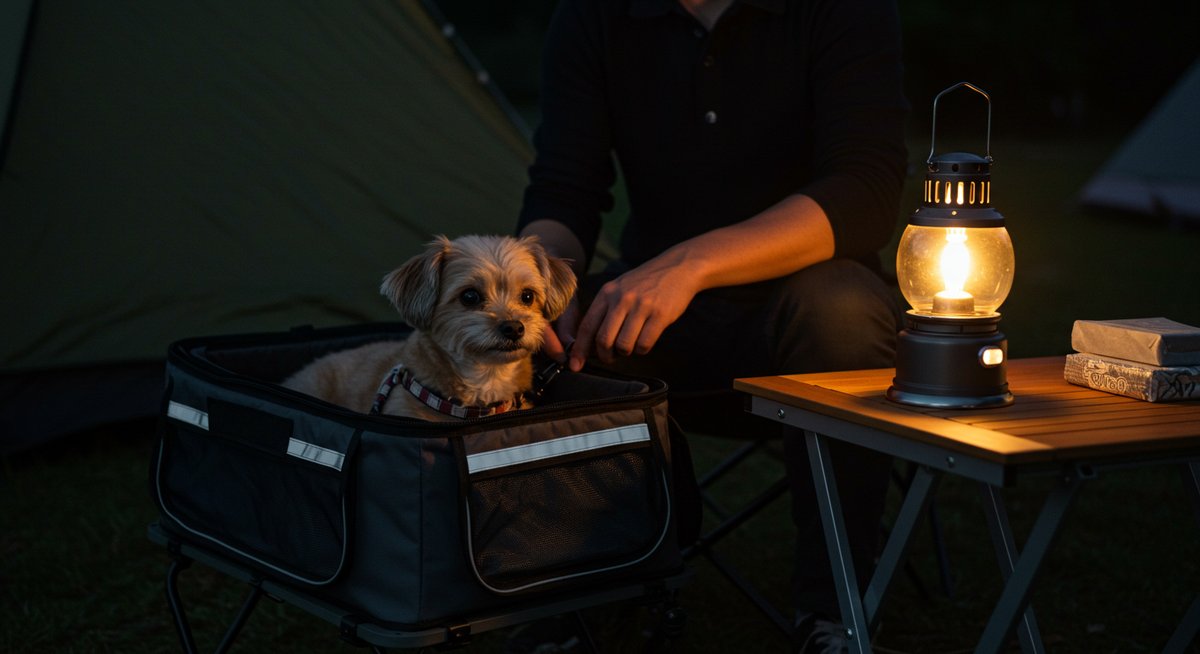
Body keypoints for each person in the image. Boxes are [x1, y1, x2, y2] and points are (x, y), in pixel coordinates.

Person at [516, 0, 908, 650]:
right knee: (546, 334)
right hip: (652, 330)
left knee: (841, 308)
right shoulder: (594, 16)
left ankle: (834, 610)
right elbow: (564, 189)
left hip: (805, 323)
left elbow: (864, 191)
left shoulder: (844, 9)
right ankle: (582, 589)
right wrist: (535, 287)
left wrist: (691, 264)